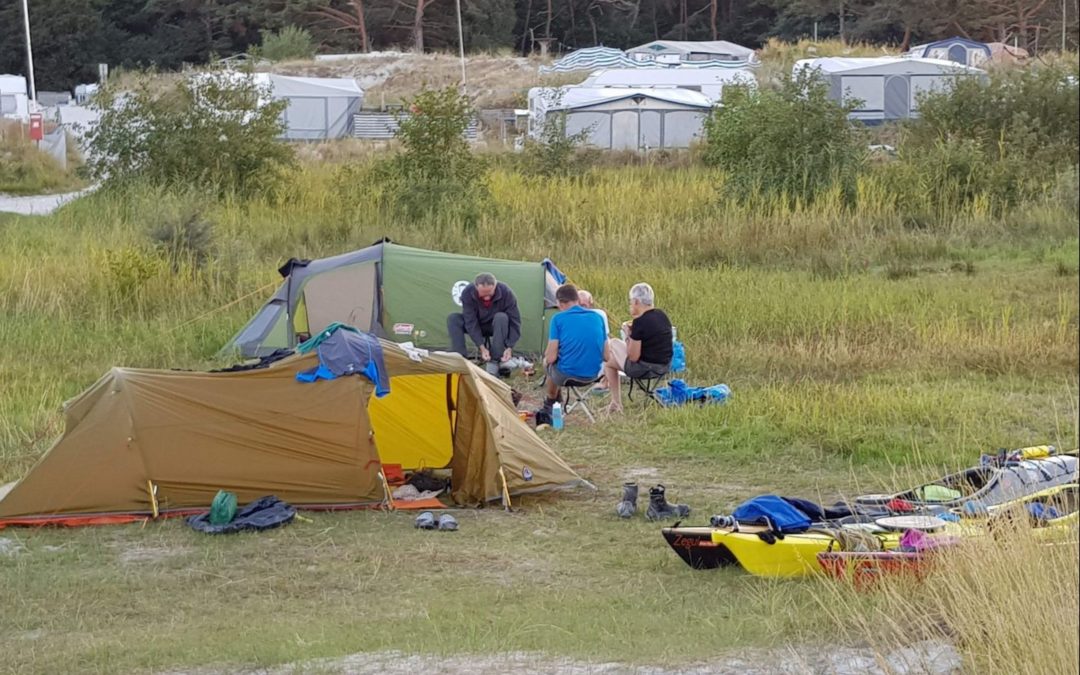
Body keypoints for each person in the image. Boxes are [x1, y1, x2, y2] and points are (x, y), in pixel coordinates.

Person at [602, 282, 672, 414]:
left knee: (613, 344)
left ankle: (616, 403)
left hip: (645, 368)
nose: (630, 305)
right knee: (609, 362)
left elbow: (633, 357)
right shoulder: (662, 316)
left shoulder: (640, 322)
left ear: (636, 302)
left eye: (630, 302)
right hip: (664, 365)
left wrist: (628, 335)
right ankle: (615, 404)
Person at [541, 283, 609, 415]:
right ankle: (557, 398)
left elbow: (551, 358)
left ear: (560, 303)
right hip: (593, 375)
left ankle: (550, 402)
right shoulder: (598, 317)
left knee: (546, 362)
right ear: (577, 299)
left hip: (568, 376)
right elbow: (607, 356)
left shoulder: (558, 319)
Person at [447, 273, 522, 376]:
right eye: (483, 294)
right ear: (476, 287)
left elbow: (515, 321)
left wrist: (509, 347)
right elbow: (470, 321)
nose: (486, 298)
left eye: (490, 294)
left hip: (496, 326)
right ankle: (460, 360)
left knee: (501, 317)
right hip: (477, 324)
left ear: (495, 287)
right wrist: (481, 347)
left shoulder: (506, 292)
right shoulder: (468, 292)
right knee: (453, 318)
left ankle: (495, 360)